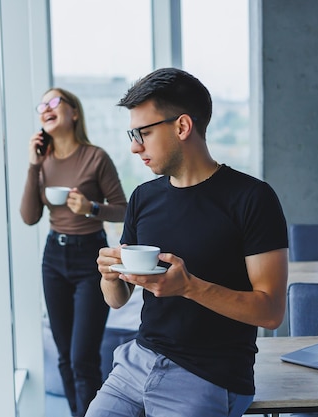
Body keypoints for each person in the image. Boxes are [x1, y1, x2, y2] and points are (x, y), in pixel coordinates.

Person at [87, 68, 289, 417]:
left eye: (143, 133)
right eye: (132, 134)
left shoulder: (253, 198)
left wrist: (190, 287)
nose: (135, 147)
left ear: (182, 127)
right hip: (137, 362)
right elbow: (118, 300)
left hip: (208, 374)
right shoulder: (143, 198)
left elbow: (271, 312)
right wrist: (109, 276)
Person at [20, 87, 127, 417]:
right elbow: (29, 217)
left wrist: (92, 207)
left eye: (54, 102)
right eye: (42, 105)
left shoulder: (96, 157)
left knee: (83, 357)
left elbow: (123, 209)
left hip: (88, 258)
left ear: (74, 112)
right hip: (53, 258)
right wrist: (33, 166)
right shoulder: (44, 163)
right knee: (65, 356)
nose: (46, 108)